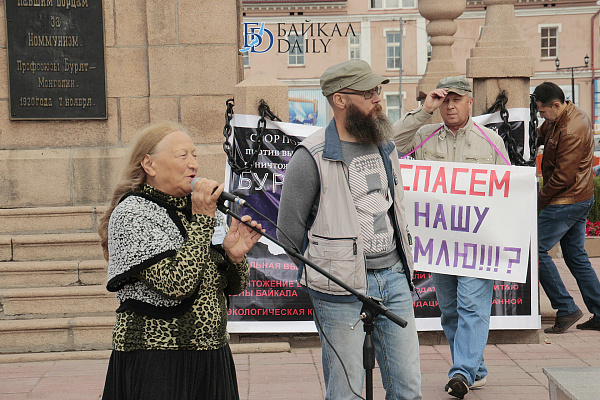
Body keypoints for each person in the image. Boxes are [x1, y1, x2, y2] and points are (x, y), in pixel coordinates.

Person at [277, 59, 422, 400]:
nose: (378, 98)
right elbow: (288, 235)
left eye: (377, 90)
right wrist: (331, 266)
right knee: (346, 393)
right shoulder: (311, 156)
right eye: (368, 93)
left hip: (395, 279)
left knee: (408, 389)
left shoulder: (385, 145)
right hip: (338, 289)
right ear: (340, 99)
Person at [98, 121, 263, 400]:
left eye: (195, 155)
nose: (193, 164)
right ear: (149, 164)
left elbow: (234, 287)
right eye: (182, 155)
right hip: (157, 357)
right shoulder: (132, 213)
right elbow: (176, 284)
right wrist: (202, 220)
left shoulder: (201, 209)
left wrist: (234, 258)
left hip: (212, 354)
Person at [394, 76, 509, 399]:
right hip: (441, 245)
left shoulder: (491, 142)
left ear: (470, 102)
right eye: (444, 100)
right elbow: (390, 141)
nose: (450, 106)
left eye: (456, 99)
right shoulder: (424, 135)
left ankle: (462, 372)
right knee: (450, 310)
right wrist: (424, 109)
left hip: (478, 244)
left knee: (471, 304)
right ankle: (476, 368)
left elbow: (509, 191)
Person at [534, 81, 600, 334]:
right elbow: (540, 135)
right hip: (578, 197)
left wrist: (538, 200)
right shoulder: (557, 118)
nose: (541, 116)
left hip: (567, 200)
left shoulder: (572, 128)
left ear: (555, 105)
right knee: (576, 256)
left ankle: (566, 307)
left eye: (542, 111)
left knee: (534, 249)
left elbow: (562, 177)